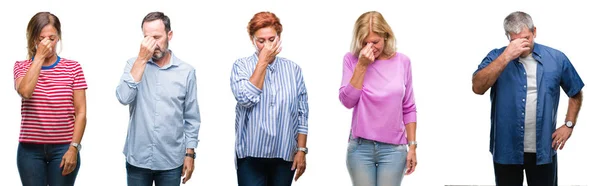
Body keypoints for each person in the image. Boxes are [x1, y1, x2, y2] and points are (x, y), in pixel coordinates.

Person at [472, 11, 584, 186]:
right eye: (515, 40)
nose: (522, 44)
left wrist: (569, 124)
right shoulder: (496, 56)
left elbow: (575, 92)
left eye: (526, 38)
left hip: (543, 150)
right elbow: (477, 87)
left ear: (535, 32)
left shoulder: (556, 58)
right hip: (506, 149)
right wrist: (507, 56)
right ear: (507, 38)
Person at [116, 11, 201, 186]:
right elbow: (124, 97)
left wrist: (190, 154)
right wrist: (141, 60)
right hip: (138, 159)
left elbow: (191, 118)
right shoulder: (133, 65)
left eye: (157, 37)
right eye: (147, 37)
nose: (152, 44)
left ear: (169, 35)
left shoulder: (186, 72)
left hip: (171, 161)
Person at [230, 11, 309, 186]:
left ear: (279, 38)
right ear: (252, 40)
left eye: (271, 40)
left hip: (284, 153)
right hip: (251, 155)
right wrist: (262, 63)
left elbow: (302, 112)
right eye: (261, 41)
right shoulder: (241, 66)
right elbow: (246, 98)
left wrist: (301, 150)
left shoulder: (293, 69)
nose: (267, 46)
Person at [339, 11, 418, 186]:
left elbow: (409, 107)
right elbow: (347, 101)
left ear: (386, 36)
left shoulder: (402, 62)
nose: (370, 47)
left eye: (375, 42)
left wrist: (412, 146)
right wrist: (361, 66)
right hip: (360, 148)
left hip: (394, 150)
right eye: (364, 42)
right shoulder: (351, 60)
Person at [13, 12, 88, 186]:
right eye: (41, 39)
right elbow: (25, 92)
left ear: (59, 38)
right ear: (33, 40)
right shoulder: (21, 67)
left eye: (52, 38)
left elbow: (81, 112)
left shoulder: (73, 68)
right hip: (29, 151)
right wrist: (38, 57)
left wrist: (73, 148)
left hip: (63, 148)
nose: (47, 43)